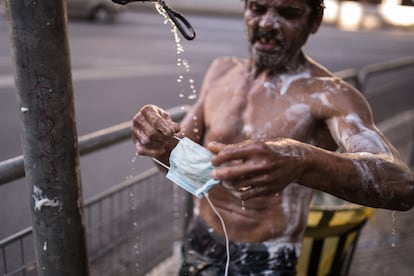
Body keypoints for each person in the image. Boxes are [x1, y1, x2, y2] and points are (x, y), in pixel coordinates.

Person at [131, 0, 414, 274]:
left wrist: (303, 161)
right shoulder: (221, 72)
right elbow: (174, 162)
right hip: (200, 241)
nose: (267, 22)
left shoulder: (330, 95)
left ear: (314, 21)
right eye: (257, 8)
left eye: (287, 12)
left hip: (266, 258)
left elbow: (401, 187)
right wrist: (157, 142)